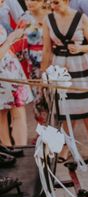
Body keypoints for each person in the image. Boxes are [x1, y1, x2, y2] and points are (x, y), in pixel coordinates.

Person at [42, 0, 88, 159]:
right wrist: (43, 73)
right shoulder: (49, 20)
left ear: (67, 1)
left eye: (56, 2)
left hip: (83, 66)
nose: (53, 6)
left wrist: (80, 48)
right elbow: (46, 49)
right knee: (66, 108)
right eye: (50, 3)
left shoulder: (81, 18)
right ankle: (67, 146)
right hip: (61, 66)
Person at [0, 17, 32, 147]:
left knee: (3, 116)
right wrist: (11, 38)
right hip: (6, 76)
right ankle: (17, 151)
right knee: (17, 114)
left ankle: (12, 151)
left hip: (10, 70)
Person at [18, 0, 48, 125]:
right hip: (32, 64)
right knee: (38, 99)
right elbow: (18, 38)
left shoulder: (50, 16)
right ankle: (42, 131)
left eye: (34, 0)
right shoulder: (25, 17)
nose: (29, 2)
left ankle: (57, 131)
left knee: (53, 97)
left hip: (51, 60)